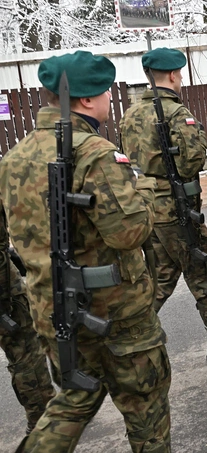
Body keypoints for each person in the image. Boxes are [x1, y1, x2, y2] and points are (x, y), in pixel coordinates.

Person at [0, 51, 171, 452]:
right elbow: (129, 233)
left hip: (52, 308)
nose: (110, 100)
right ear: (88, 100)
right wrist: (144, 189)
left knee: (74, 398)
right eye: (105, 93)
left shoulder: (13, 159)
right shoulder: (96, 153)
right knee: (146, 408)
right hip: (117, 313)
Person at [120, 47, 207, 363]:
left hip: (147, 207)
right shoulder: (176, 114)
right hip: (177, 210)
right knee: (202, 272)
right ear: (175, 75)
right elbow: (194, 160)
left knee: (160, 277)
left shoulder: (130, 114)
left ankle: (127, 337)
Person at [0, 213, 56, 436]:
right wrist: (5, 298)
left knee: (20, 353)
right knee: (25, 352)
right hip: (5, 291)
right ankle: (42, 420)